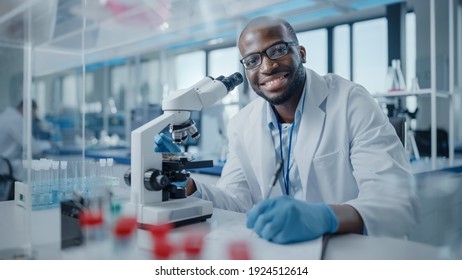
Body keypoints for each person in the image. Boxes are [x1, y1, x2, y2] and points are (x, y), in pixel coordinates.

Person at [156, 16, 419, 244]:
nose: (267, 67)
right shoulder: (242, 124)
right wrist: (188, 185)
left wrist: (325, 217)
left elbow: (395, 202)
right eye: (252, 60)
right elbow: (237, 203)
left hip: (342, 251)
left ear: (301, 52)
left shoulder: (351, 101)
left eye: (278, 50)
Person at [0, 100, 51, 179]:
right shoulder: (16, 120)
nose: (33, 117)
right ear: (25, 109)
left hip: (4, 161)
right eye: (33, 113)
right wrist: (48, 144)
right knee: (39, 172)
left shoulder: (8, 115)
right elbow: (33, 147)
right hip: (5, 164)